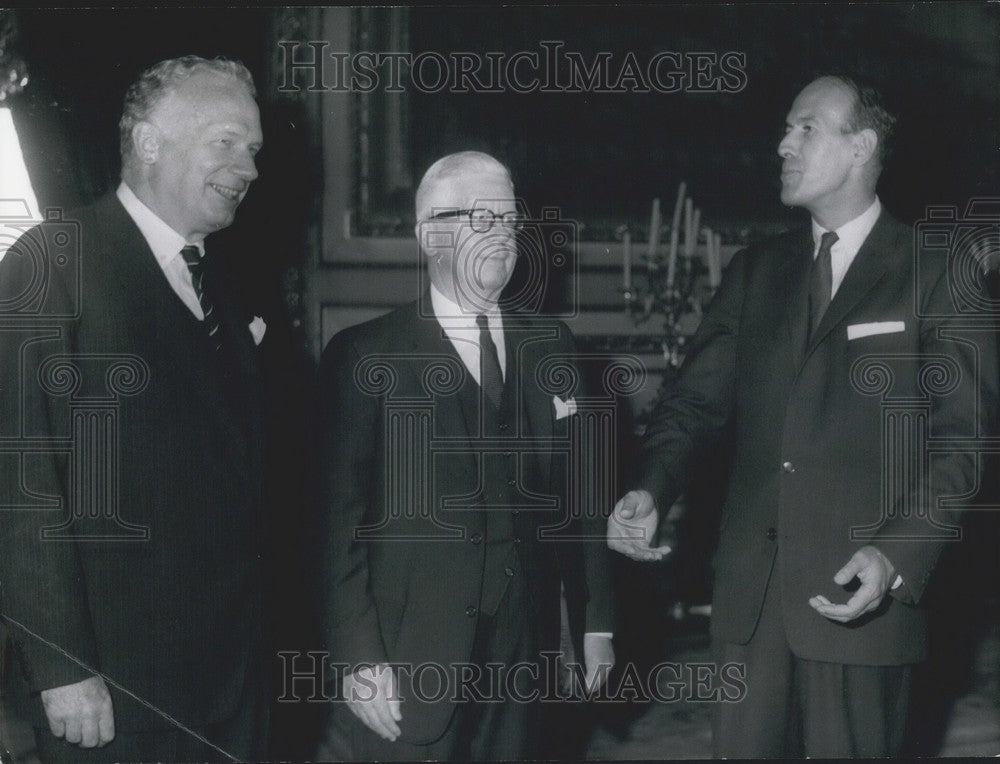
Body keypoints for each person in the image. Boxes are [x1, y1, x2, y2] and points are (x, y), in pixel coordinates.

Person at [607, 74, 999, 757]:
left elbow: (965, 441)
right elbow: (693, 404)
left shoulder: (938, 269)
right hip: (749, 611)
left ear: (861, 147)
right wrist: (652, 487)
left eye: (805, 128)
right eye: (786, 129)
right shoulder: (756, 271)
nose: (782, 144)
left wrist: (897, 551)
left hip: (861, 601)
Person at [0, 56, 268, 762]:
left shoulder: (226, 290)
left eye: (254, 149)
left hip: (231, 687)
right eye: (226, 141)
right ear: (150, 143)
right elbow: (21, 483)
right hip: (113, 693)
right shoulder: (53, 259)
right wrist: (62, 670)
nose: (248, 167)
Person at [318, 151, 615, 760]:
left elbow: (584, 499)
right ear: (430, 235)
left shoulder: (550, 342)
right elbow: (331, 526)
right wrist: (358, 660)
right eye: (483, 220)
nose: (502, 238)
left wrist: (597, 622)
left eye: (509, 223)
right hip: (410, 662)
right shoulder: (363, 355)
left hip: (525, 655)